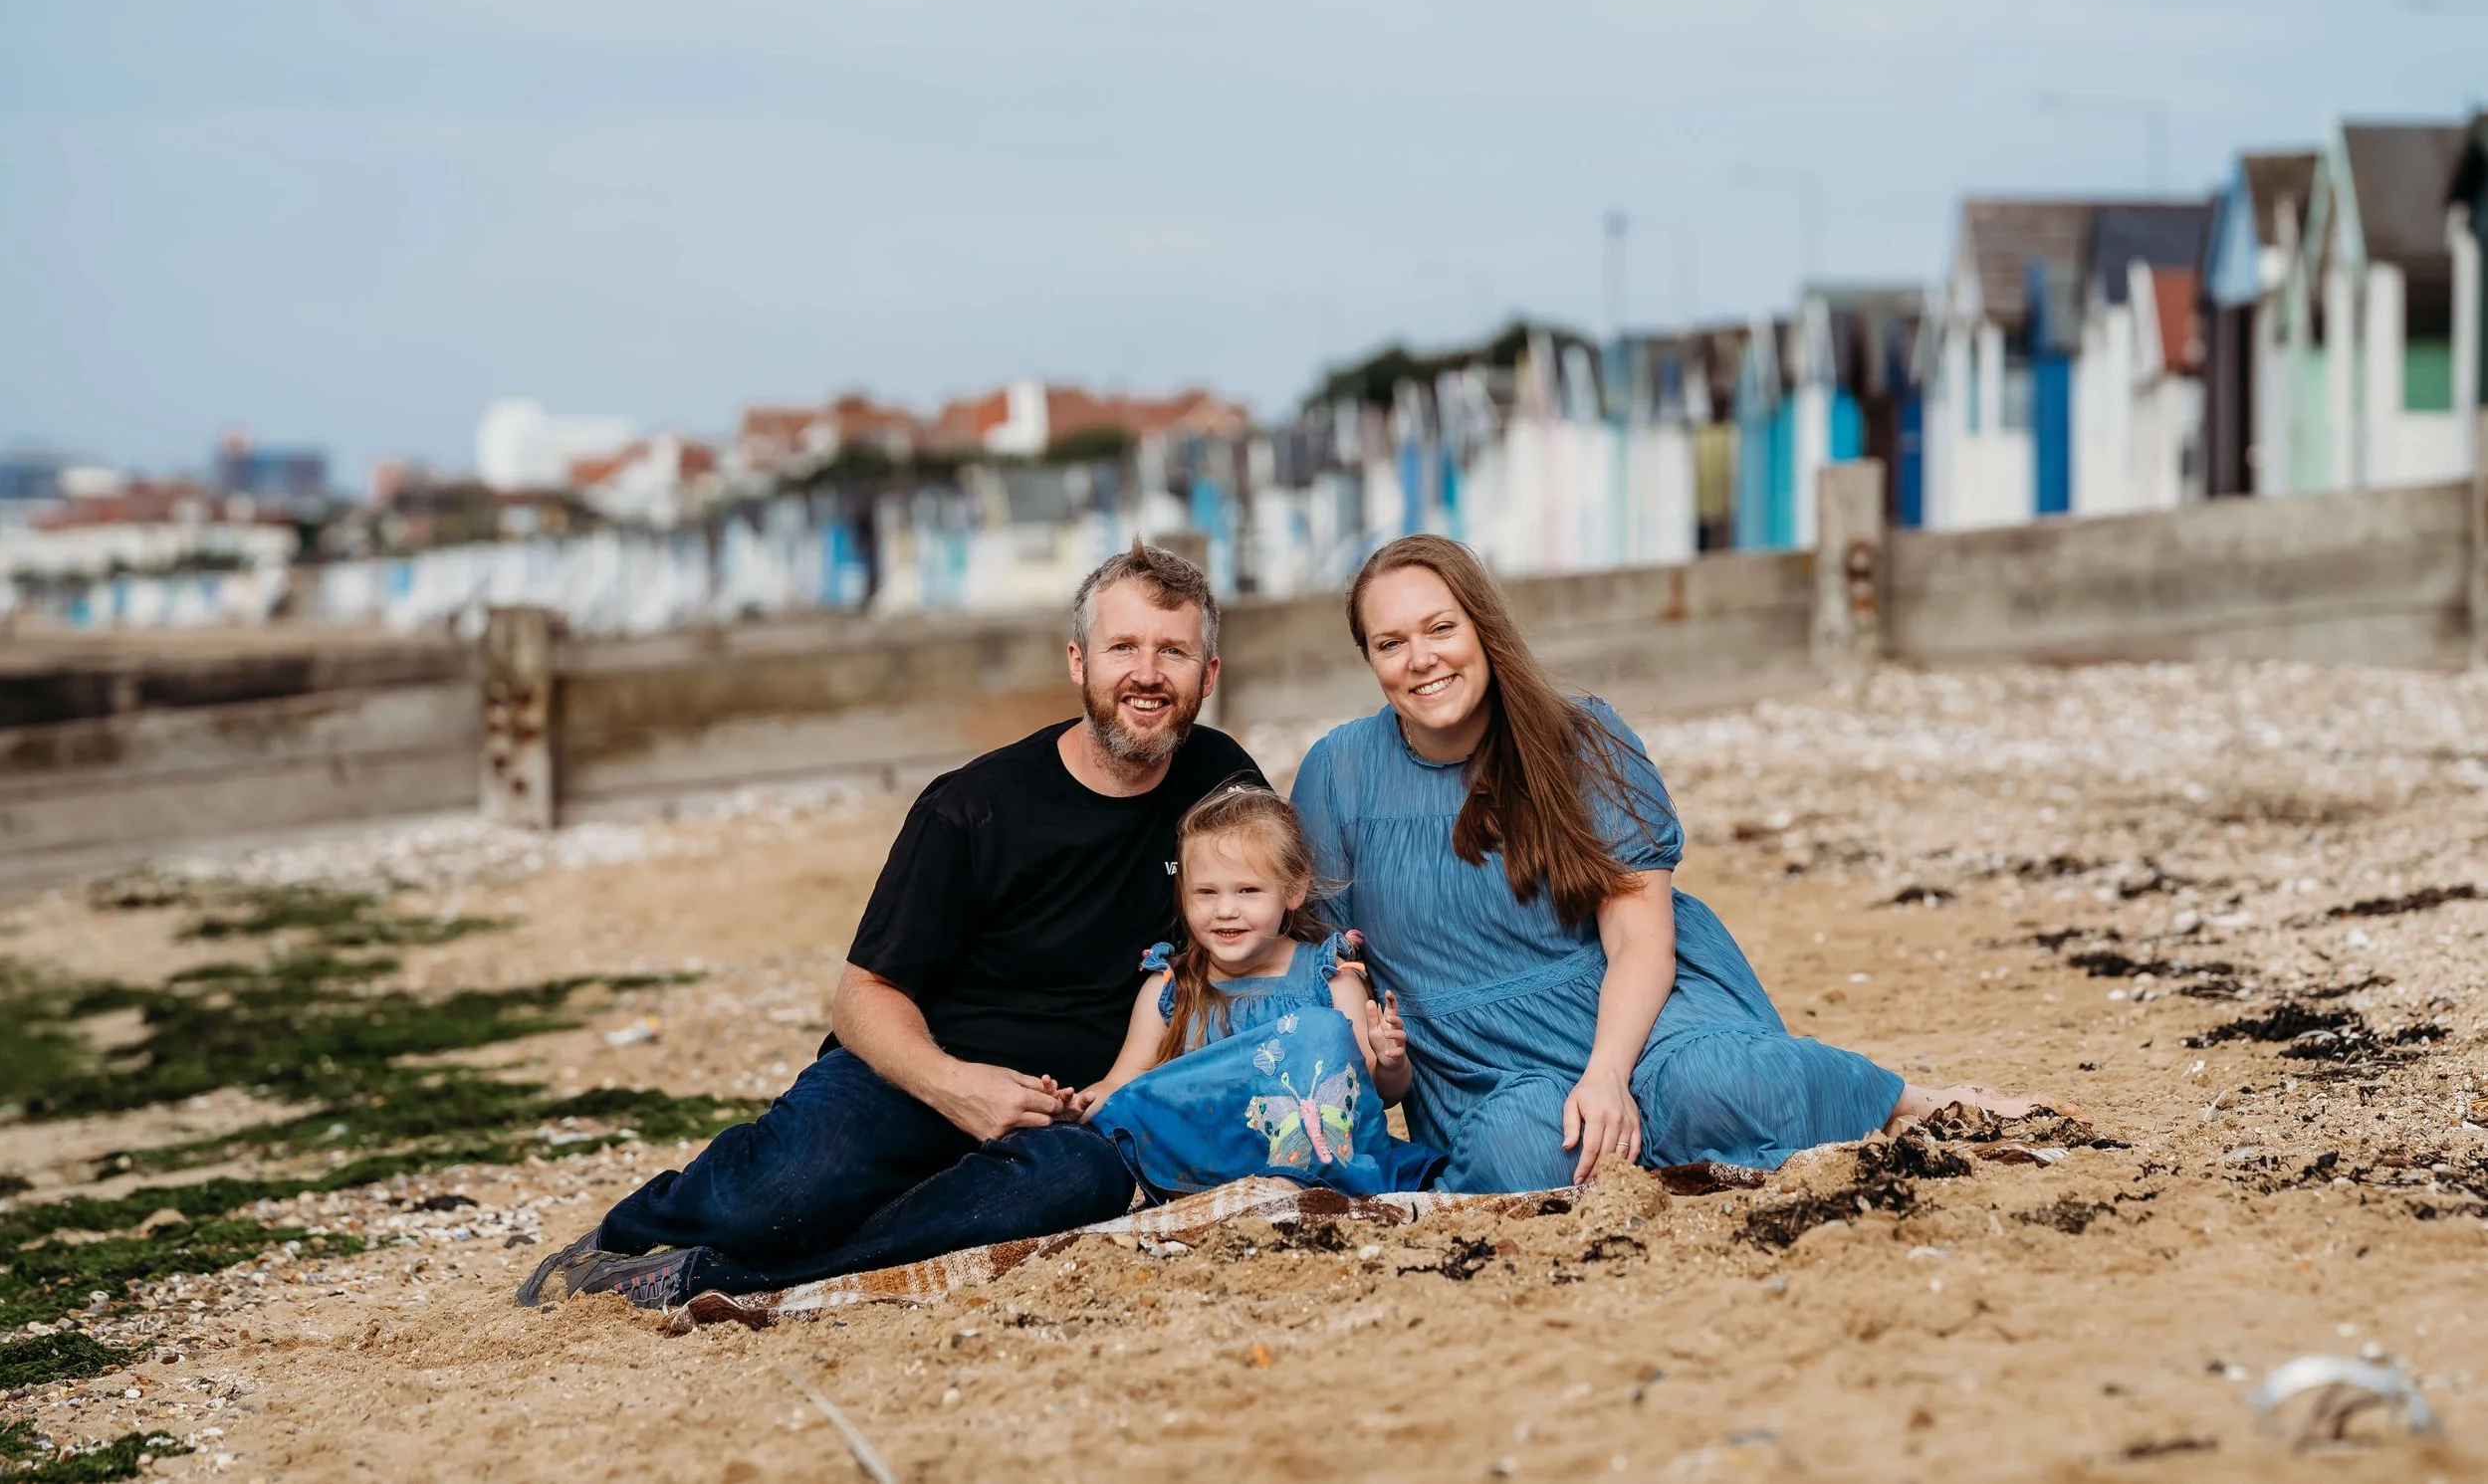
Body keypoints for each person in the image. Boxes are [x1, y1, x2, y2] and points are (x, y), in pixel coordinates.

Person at [518, 542, 1263, 1309]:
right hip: (910, 1071)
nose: (1147, 672)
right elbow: (862, 995)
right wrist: (958, 1087)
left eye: (1173, 650)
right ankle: (629, 1237)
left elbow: (1276, 931)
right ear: (1079, 662)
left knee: (1083, 1183)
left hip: (1069, 1113)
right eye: (1124, 647)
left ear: (1207, 675)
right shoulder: (973, 806)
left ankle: (725, 1281)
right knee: (785, 1189)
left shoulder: (1224, 785)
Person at [1289, 533, 2036, 1194]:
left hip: (1637, 1010)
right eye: (1390, 643)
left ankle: (1906, 1100)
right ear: (1370, 659)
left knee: (1716, 1086)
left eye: (1440, 628)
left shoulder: (1582, 738)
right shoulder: (1338, 772)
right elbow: (1335, 963)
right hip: (1481, 1065)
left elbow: (1640, 938)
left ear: (1483, 628)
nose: (1421, 659)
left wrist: (1608, 1071)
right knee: (1523, 1152)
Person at [1075, 782, 1441, 1199]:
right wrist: (1081, 1101)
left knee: (1320, 1030)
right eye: (1206, 892)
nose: (1225, 909)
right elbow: (1126, 1085)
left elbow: (1381, 1093)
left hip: (1328, 1167)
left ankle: (1293, 1185)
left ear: (1292, 889)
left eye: (1248, 890)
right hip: (1216, 1174)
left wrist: (1391, 1062)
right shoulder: (1170, 991)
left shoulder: (1330, 979)